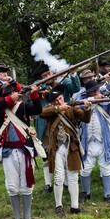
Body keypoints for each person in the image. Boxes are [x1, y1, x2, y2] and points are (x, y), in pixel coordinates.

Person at [0, 82, 42, 219]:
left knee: (27, 186)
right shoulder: (0, 109)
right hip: (8, 152)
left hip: (25, 150)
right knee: (12, 186)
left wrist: (34, 94)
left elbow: (38, 109)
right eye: (5, 96)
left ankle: (27, 218)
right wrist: (8, 99)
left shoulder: (23, 106)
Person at [40, 84, 92, 218]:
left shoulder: (72, 108)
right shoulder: (51, 110)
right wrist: (58, 108)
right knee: (59, 177)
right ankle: (59, 206)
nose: (59, 101)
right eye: (55, 100)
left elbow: (86, 119)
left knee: (73, 177)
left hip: (71, 147)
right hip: (56, 148)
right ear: (52, 102)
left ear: (63, 97)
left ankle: (75, 206)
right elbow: (42, 113)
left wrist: (87, 109)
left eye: (60, 99)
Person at [32, 63, 81, 194]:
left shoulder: (64, 82)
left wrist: (73, 73)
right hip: (45, 125)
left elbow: (76, 88)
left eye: (49, 74)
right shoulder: (39, 85)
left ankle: (65, 182)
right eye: (44, 75)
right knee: (46, 155)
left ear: (53, 72)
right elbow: (34, 100)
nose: (48, 77)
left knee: (67, 152)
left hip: (64, 123)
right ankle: (48, 184)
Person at [79, 80, 110, 206]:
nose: (97, 92)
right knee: (85, 170)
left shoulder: (105, 102)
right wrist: (91, 100)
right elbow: (77, 110)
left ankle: (108, 195)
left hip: (103, 142)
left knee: (106, 169)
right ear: (88, 92)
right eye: (94, 91)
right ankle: (86, 192)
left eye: (97, 90)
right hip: (87, 142)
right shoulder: (82, 101)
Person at [0, 63, 22, 142]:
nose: (5, 73)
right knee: (3, 138)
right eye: (2, 72)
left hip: (13, 112)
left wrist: (12, 81)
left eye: (6, 71)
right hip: (0, 115)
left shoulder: (9, 83)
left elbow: (19, 89)